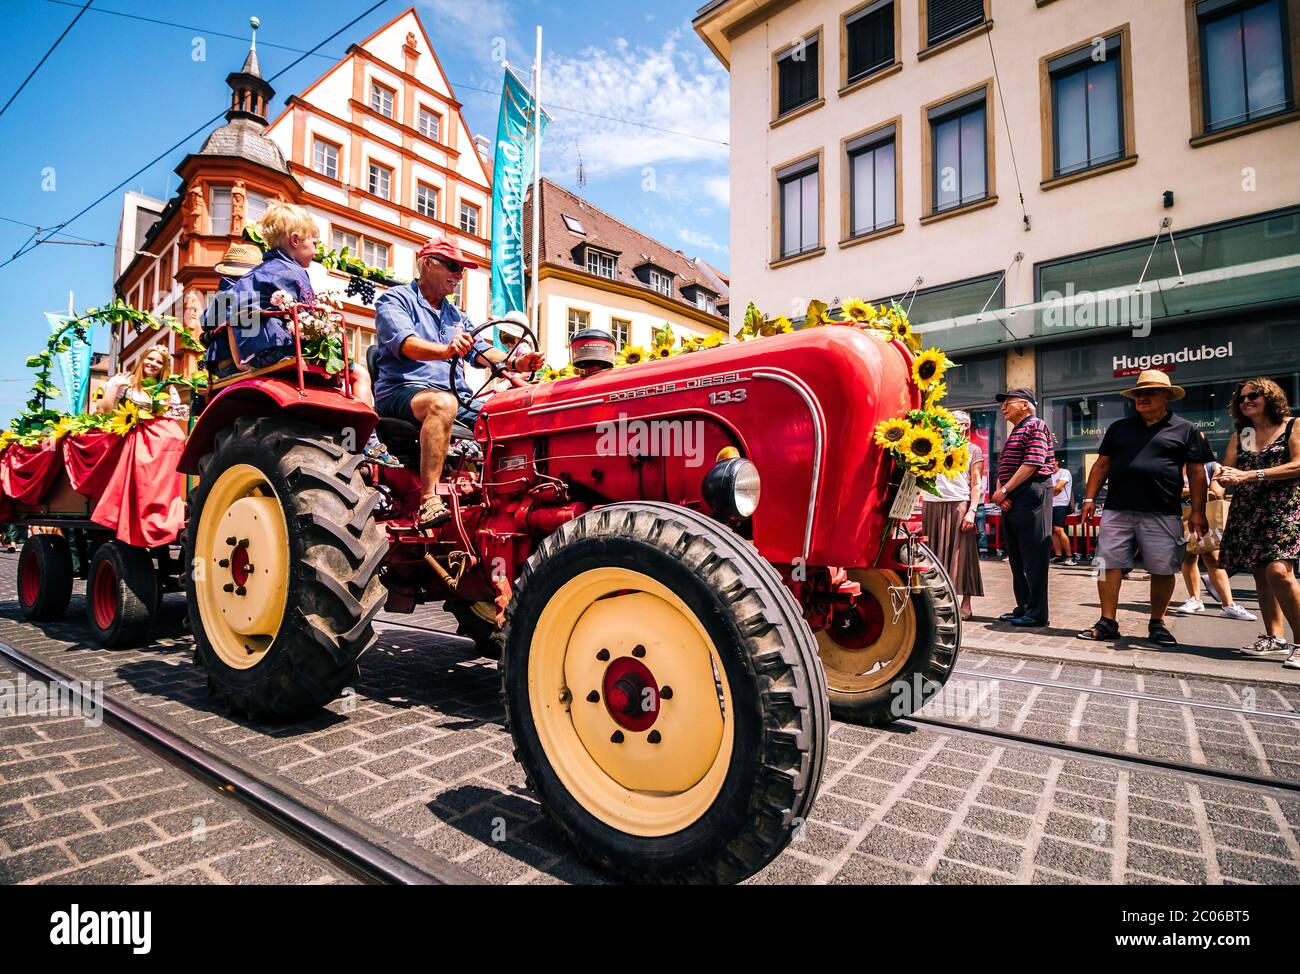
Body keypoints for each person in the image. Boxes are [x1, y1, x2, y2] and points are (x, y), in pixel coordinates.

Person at [373, 238, 546, 528]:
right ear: (427, 263)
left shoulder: (456, 315)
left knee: (510, 412)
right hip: (402, 392)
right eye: (453, 267)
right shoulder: (395, 300)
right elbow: (406, 344)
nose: (458, 275)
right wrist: (446, 350)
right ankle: (429, 499)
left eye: (462, 270)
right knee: (442, 403)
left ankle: (507, 494)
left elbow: (481, 351)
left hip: (454, 397)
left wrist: (516, 363)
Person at [203, 218, 398, 466]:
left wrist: (245, 359)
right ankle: (367, 439)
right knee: (358, 374)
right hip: (270, 352)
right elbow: (304, 316)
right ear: (294, 240)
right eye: (314, 244)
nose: (316, 252)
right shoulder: (290, 272)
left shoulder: (243, 284)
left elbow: (234, 325)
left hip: (248, 356)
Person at [1076, 370, 1211, 645]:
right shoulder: (1119, 428)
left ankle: (1157, 622)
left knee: (1162, 568)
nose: (1142, 397)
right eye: (1138, 393)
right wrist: (1089, 499)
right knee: (1108, 564)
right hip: (1117, 509)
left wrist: (1198, 511)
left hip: (1163, 510)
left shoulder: (1186, 429)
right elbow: (1102, 465)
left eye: (1149, 392)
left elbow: (1198, 473)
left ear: (1166, 396)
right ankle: (1107, 621)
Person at [1217, 378, 1300, 669]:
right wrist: (1221, 481)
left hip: (1283, 507)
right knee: (1262, 574)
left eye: (1253, 395)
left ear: (1271, 397)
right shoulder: (1247, 433)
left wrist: (1250, 476)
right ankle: (1275, 637)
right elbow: (1232, 470)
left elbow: (1297, 465)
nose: (1246, 401)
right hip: (1249, 509)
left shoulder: (1292, 425)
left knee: (1279, 571)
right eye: (1241, 398)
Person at [991, 388, 1055, 628]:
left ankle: (1037, 612)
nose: (1003, 407)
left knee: (1033, 556)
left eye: (1009, 402)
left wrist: (1005, 491)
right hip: (1015, 496)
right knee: (1017, 556)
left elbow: (1032, 463)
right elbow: (1005, 466)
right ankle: (1024, 606)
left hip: (1032, 492)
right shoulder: (1017, 430)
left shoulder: (1035, 425)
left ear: (1026, 405)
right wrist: (1002, 493)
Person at [920, 410, 985, 620]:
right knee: (934, 554)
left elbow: (976, 483)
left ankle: (965, 603)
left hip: (959, 504)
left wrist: (972, 511)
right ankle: (935, 603)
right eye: (950, 422)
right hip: (932, 504)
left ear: (966, 427)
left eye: (958, 423)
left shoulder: (973, 449)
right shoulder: (933, 447)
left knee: (963, 554)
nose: (953, 425)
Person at [1175, 461, 1256, 621]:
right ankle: (1195, 599)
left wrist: (1190, 491)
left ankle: (1229, 605)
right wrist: (1199, 490)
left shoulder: (1212, 466)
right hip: (1180, 515)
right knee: (1188, 556)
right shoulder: (1174, 466)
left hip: (1206, 514)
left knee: (1213, 558)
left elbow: (1217, 491)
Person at [96, 344, 189, 421]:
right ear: (142, 360)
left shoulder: (169, 390)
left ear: (163, 368)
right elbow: (103, 412)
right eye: (150, 359)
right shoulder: (125, 381)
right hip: (126, 435)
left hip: (155, 438)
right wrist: (115, 386)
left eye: (159, 362)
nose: (153, 364)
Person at [1049, 453, 1077, 566]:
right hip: (1050, 504)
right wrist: (1054, 490)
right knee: (1052, 530)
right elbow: (1052, 490)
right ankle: (1058, 555)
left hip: (1062, 504)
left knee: (1059, 529)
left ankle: (1070, 556)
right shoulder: (1048, 475)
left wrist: (1053, 489)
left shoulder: (1064, 472)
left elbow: (1058, 487)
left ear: (1056, 461)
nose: (1050, 463)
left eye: (1052, 461)